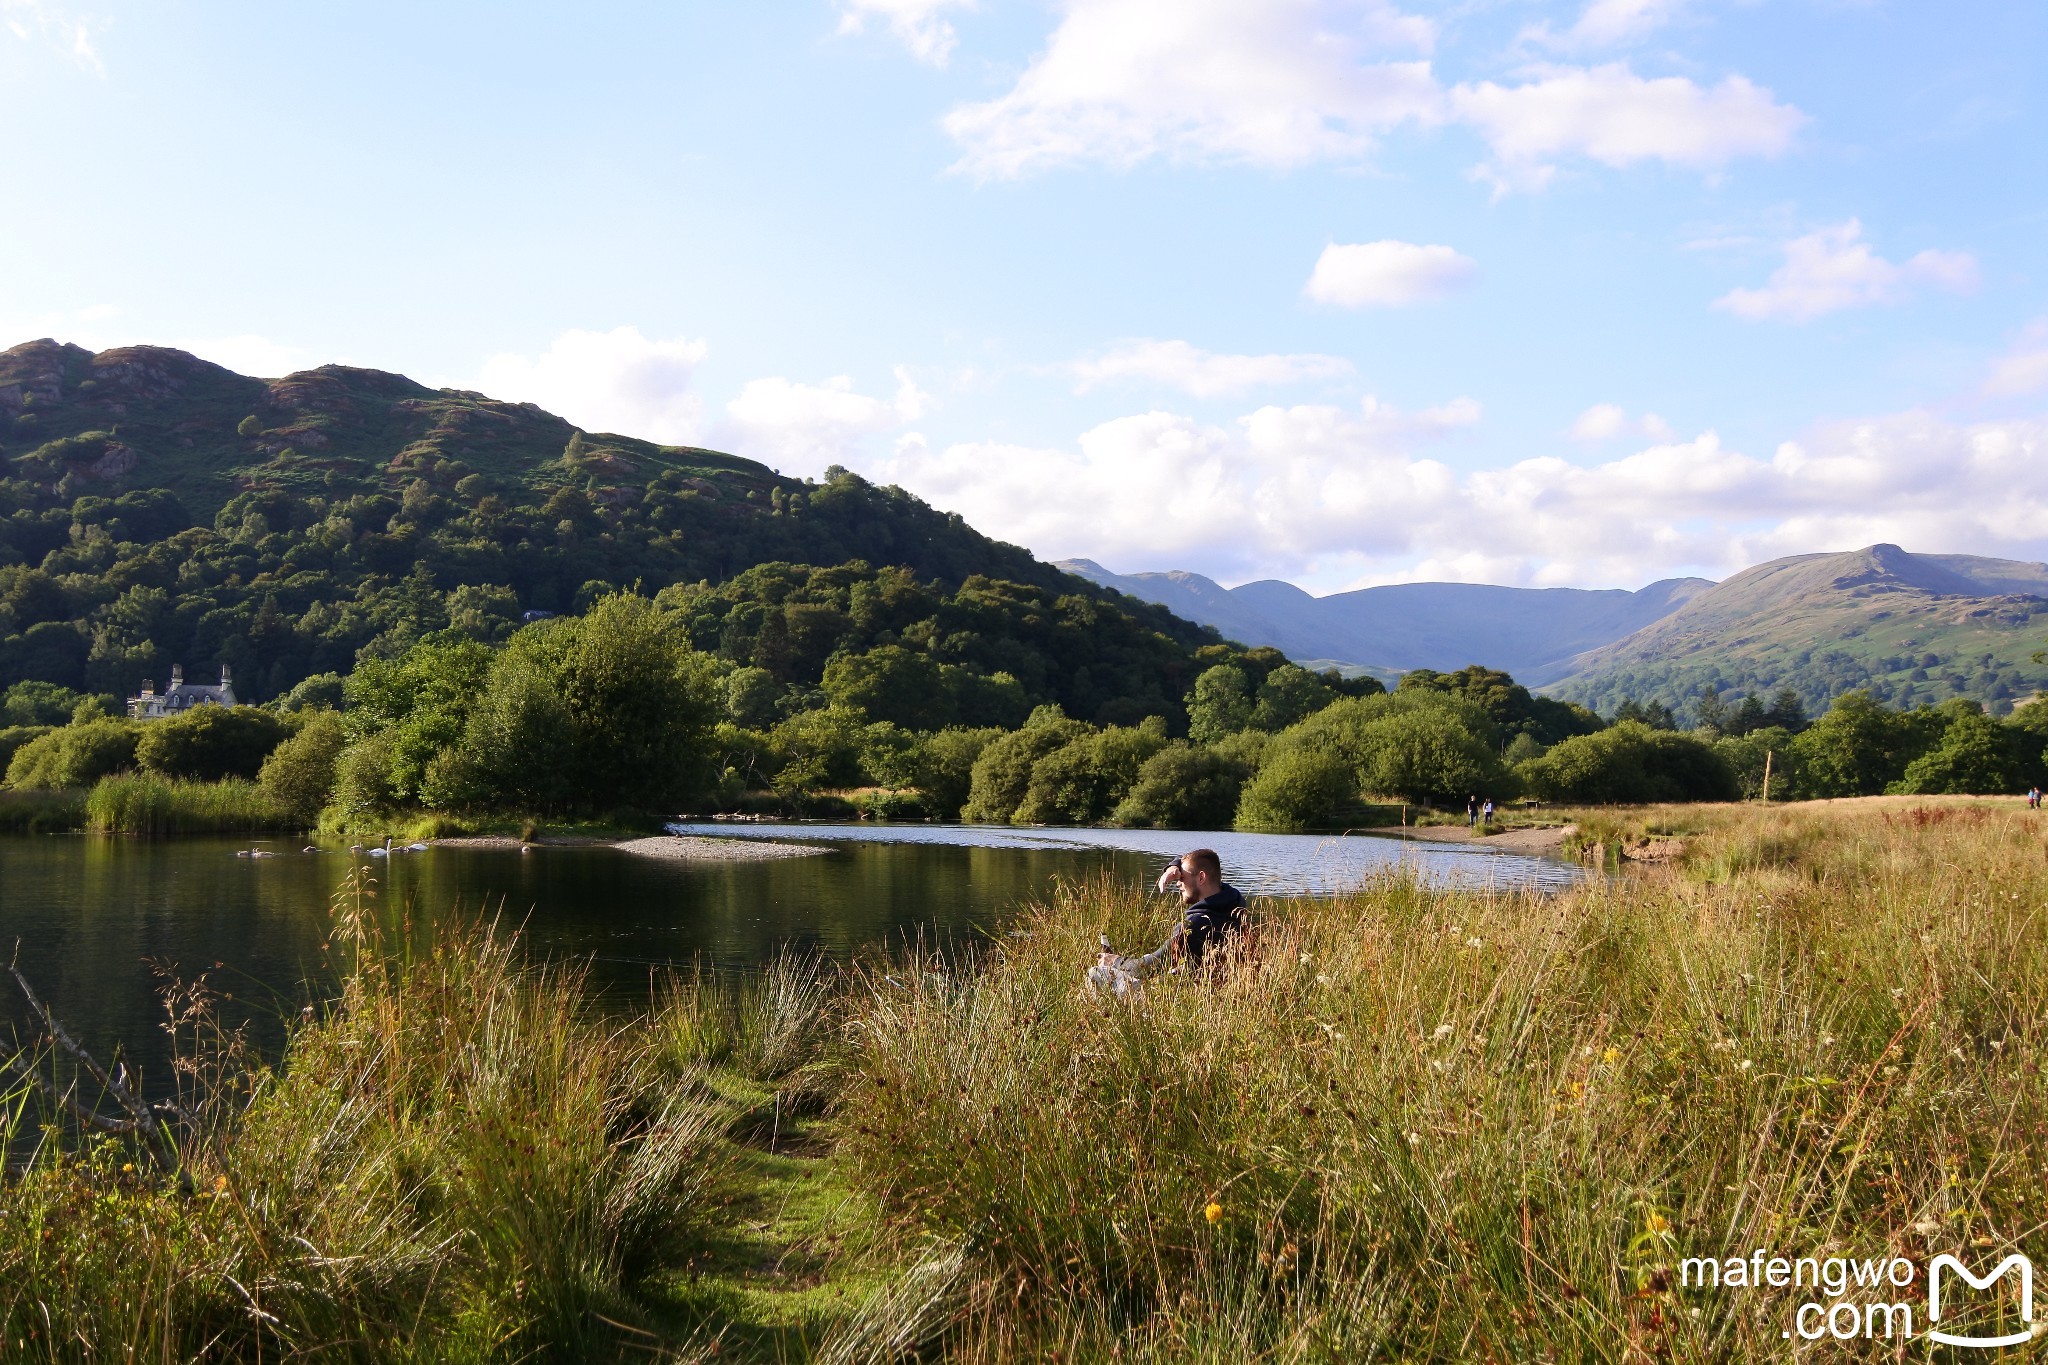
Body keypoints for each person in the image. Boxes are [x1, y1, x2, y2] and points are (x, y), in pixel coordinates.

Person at [1088, 848, 1247, 997]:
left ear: (1201, 877)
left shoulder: (1194, 925)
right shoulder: (1235, 902)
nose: (1178, 883)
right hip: (1219, 989)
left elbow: (1144, 968)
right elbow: (1203, 861)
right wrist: (1174, 866)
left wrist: (1114, 960)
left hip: (1186, 998)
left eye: (1182, 878)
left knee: (1097, 972)